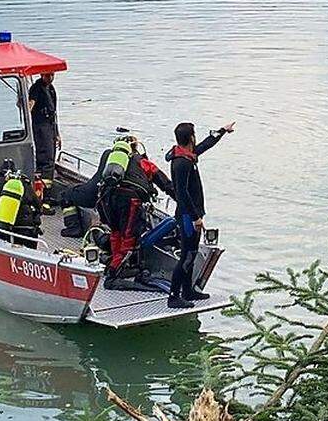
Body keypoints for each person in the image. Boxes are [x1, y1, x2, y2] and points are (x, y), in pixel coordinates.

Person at [165, 121, 234, 308]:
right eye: (194, 134)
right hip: (188, 216)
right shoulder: (181, 163)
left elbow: (204, 146)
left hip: (193, 214)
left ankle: (188, 291)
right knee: (186, 256)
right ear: (190, 138)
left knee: (192, 253)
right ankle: (173, 296)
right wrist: (195, 217)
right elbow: (182, 193)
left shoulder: (188, 155)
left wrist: (221, 132)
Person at [97, 136, 176, 285]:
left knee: (116, 233)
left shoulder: (112, 162)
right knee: (129, 235)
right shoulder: (142, 161)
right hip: (130, 200)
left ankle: (114, 261)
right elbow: (164, 182)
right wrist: (181, 200)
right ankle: (116, 270)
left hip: (109, 199)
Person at [27, 73, 60, 179]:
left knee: (51, 156)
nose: (50, 78)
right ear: (42, 75)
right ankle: (45, 184)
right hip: (41, 125)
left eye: (52, 75)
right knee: (46, 156)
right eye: (47, 75)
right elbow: (31, 103)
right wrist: (27, 107)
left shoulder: (51, 89)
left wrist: (57, 134)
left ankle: (48, 179)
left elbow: (54, 113)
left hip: (50, 124)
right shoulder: (36, 88)